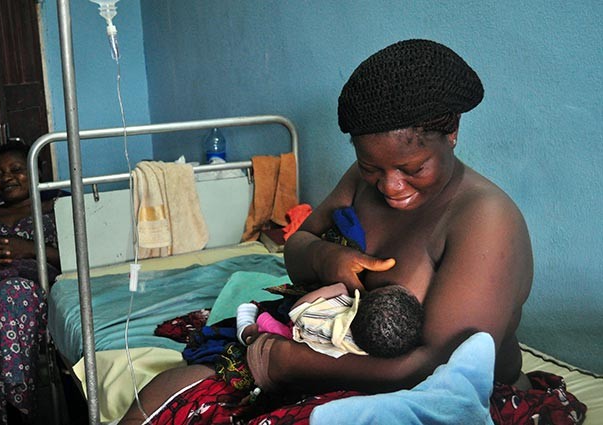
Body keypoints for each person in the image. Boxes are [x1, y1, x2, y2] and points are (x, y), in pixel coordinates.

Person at [119, 39, 586, 424]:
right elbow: (298, 246)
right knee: (168, 391)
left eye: (413, 167)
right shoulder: (364, 179)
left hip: (431, 393)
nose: (391, 186)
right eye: (372, 168)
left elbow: (440, 369)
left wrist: (284, 364)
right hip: (324, 353)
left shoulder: (485, 219)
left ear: (453, 133)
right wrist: (331, 261)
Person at [0, 142, 60, 425]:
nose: (6, 177)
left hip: (31, 284)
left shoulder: (59, 204)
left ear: (37, 170)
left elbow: (81, 254)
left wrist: (30, 248)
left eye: (16, 169)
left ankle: (15, 409)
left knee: (9, 296)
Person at [237, 281, 424, 359]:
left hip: (298, 331)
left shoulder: (325, 314)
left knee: (263, 330)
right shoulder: (373, 348)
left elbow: (297, 311)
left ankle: (245, 329)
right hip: (315, 349)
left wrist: (341, 288)